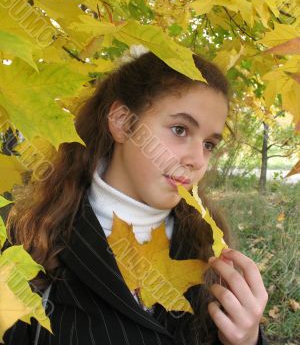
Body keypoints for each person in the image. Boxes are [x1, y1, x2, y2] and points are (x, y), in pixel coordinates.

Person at [2, 49, 268, 345]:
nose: (196, 159)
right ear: (122, 122)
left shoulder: (207, 249)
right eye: (180, 130)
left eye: (208, 144)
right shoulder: (31, 238)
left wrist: (247, 340)